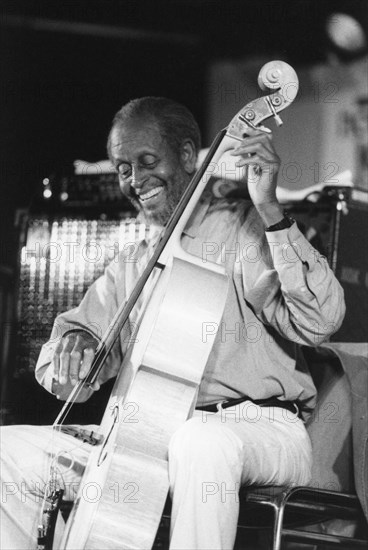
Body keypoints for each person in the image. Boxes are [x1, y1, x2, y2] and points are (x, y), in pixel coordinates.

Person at [0, 97, 345, 550]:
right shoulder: (133, 264)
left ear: (186, 156)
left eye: (146, 161)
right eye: (123, 168)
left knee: (198, 441)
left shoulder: (242, 230)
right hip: (149, 436)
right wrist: (76, 343)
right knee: (8, 453)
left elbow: (322, 319)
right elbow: (64, 365)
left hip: (260, 428)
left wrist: (269, 209)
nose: (135, 180)